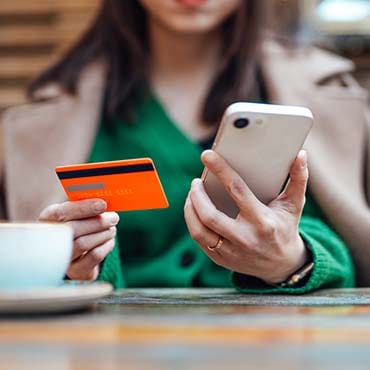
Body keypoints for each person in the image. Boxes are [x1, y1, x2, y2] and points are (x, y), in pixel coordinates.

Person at [1, 0, 369, 291]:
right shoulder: (39, 119)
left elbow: (351, 253)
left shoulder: (336, 99)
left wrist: (293, 260)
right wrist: (74, 268)